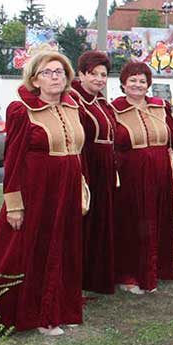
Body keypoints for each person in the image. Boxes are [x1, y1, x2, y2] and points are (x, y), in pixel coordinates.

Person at [0, 51, 87, 336]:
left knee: (64, 248)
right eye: (47, 72)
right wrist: (14, 203)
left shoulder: (73, 106)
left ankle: (61, 308)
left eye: (59, 72)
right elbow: (11, 159)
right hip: (37, 191)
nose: (55, 77)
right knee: (32, 251)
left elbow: (78, 153)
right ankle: (38, 316)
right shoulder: (20, 109)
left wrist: (81, 185)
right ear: (35, 79)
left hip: (67, 189)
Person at [112, 61, 173, 293]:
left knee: (159, 221)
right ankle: (131, 275)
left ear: (149, 84)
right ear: (123, 83)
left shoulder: (160, 107)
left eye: (142, 80)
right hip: (130, 176)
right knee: (135, 225)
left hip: (160, 174)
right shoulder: (113, 110)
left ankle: (158, 270)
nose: (137, 84)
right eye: (132, 80)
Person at [71, 51, 117, 295]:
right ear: (81, 74)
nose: (99, 79)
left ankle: (96, 277)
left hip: (105, 168)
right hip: (87, 165)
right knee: (84, 221)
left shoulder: (100, 101)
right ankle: (77, 280)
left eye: (103, 75)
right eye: (94, 74)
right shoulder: (73, 100)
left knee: (102, 223)